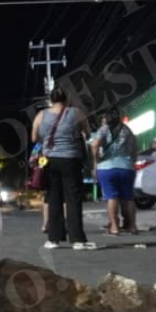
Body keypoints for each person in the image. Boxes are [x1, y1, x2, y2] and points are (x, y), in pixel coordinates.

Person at [31, 87, 93, 250]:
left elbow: (34, 137)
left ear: (51, 100)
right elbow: (87, 132)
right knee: (73, 199)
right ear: (67, 99)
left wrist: (47, 139)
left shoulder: (41, 115)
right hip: (71, 160)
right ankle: (77, 240)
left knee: (54, 199)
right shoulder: (76, 113)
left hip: (50, 160)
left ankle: (54, 239)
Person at [89, 108, 138, 235]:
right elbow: (134, 147)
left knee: (112, 197)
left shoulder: (103, 129)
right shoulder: (127, 129)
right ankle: (132, 226)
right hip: (126, 167)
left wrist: (96, 159)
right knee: (128, 198)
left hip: (107, 167)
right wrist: (132, 160)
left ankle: (115, 227)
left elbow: (95, 145)